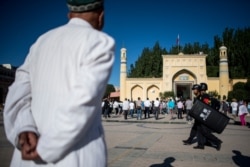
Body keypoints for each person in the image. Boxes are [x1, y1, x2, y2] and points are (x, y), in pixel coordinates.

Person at [3, 0, 114, 166]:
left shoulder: (41, 42)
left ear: (69, 15)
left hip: (27, 158)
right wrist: (45, 148)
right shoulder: (99, 42)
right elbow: (81, 103)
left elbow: (17, 95)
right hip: (73, 157)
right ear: (101, 16)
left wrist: (24, 130)